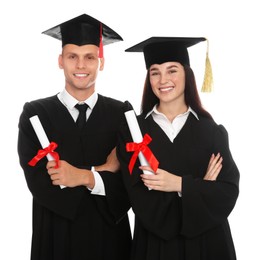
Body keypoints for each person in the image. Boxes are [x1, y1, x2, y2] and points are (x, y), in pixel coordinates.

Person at [17, 14, 132, 260]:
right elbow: (41, 184)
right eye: (72, 57)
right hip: (56, 241)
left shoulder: (122, 114)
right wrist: (101, 172)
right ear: (61, 61)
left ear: (101, 62)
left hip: (110, 242)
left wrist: (80, 176)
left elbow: (129, 187)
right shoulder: (36, 114)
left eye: (90, 57)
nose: (81, 66)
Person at [117, 37, 240, 260]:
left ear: (186, 74)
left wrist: (178, 184)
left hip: (208, 247)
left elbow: (227, 192)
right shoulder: (133, 132)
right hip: (155, 247)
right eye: (155, 72)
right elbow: (139, 199)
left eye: (172, 70)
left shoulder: (212, 131)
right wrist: (200, 188)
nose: (163, 80)